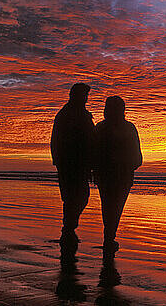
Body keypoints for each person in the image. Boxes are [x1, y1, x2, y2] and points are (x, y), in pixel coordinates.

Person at [92, 95, 142, 257]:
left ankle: (109, 237)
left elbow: (93, 153)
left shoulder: (101, 127)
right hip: (119, 176)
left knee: (109, 207)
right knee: (114, 208)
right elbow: (137, 158)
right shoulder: (127, 128)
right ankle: (109, 238)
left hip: (109, 176)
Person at [50, 83, 95, 262]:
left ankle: (69, 228)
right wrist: (59, 162)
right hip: (70, 164)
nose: (86, 99)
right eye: (84, 95)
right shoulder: (67, 115)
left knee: (78, 197)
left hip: (79, 165)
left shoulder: (80, 114)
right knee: (74, 197)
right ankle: (68, 229)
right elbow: (57, 140)